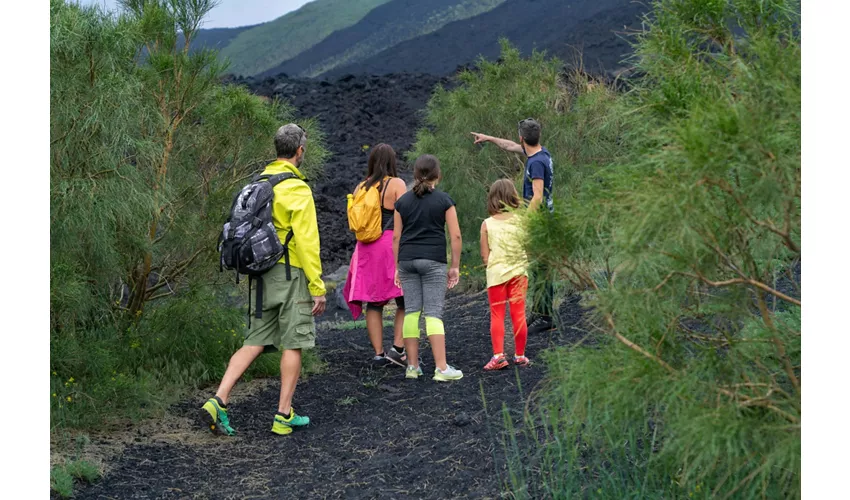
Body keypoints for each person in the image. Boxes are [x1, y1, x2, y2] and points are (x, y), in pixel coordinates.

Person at [200, 123, 326, 437]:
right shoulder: (297, 189)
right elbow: (308, 242)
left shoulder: (259, 182)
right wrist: (318, 287)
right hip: (290, 275)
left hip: (259, 278)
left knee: (254, 341)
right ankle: (283, 414)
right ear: (299, 152)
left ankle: (219, 399)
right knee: (293, 343)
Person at [471, 118, 556, 336]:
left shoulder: (536, 162)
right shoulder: (539, 153)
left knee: (542, 269)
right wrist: (489, 139)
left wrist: (524, 223)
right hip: (540, 219)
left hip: (539, 221)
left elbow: (537, 196)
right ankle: (540, 311)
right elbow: (509, 145)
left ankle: (545, 316)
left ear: (522, 137)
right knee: (537, 267)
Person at [393, 154, 464, 382]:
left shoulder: (402, 202)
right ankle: (442, 369)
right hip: (433, 261)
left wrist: (397, 267)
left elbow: (396, 237)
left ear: (415, 175)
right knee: (433, 313)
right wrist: (455, 266)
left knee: (412, 311)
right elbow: (456, 235)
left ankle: (412, 367)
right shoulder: (444, 200)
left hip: (407, 260)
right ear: (438, 176)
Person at [342, 144, 408, 367]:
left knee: (374, 303)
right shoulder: (396, 184)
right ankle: (398, 349)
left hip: (365, 248)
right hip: (389, 245)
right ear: (392, 161)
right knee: (405, 299)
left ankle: (378, 354)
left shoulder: (361, 187)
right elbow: (407, 215)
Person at [480, 179, 530, 370]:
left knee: (497, 315)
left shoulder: (487, 224)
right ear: (513, 197)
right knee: (519, 314)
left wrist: (492, 265)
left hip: (496, 274)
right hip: (518, 272)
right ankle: (520, 355)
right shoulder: (522, 221)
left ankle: (499, 356)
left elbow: (485, 255)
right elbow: (528, 245)